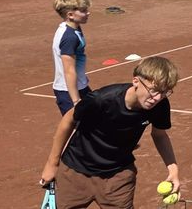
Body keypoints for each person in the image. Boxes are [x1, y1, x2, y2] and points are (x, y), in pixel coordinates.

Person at [40, 56, 182, 208]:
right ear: (136, 81)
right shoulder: (101, 99)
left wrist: (173, 170)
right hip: (75, 172)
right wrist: (52, 164)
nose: (157, 98)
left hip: (117, 177)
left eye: (164, 92)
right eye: (153, 90)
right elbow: (68, 120)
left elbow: (159, 135)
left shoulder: (160, 106)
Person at [52, 0, 92, 115]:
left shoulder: (73, 28)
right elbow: (69, 70)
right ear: (70, 15)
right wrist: (75, 100)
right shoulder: (70, 37)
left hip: (80, 86)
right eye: (83, 11)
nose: (88, 13)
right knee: (78, 129)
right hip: (70, 91)